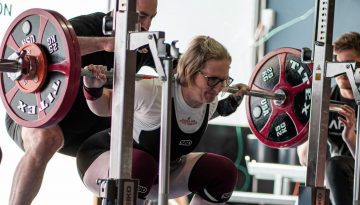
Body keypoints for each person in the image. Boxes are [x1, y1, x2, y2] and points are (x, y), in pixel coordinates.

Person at [5, 0, 157, 204]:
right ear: (120, 10)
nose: (146, 25)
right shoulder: (91, 25)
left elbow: (182, 69)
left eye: (151, 17)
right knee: (46, 138)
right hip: (39, 113)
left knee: (142, 150)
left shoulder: (141, 43)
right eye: (140, 16)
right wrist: (104, 43)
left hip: (86, 128)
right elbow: (54, 45)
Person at [77, 35, 250, 205]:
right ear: (190, 70)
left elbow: (188, 117)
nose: (219, 88)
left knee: (223, 172)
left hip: (157, 173)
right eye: (213, 80)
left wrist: (228, 105)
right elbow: (103, 107)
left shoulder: (209, 101)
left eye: (224, 80)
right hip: (102, 160)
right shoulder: (151, 93)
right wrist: (92, 88)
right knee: (143, 164)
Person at [297, 32, 360, 205]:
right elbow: (304, 157)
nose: (341, 71)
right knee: (311, 192)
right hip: (336, 180)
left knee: (335, 167)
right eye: (337, 64)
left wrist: (351, 139)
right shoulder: (325, 98)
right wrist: (317, 127)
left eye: (349, 64)